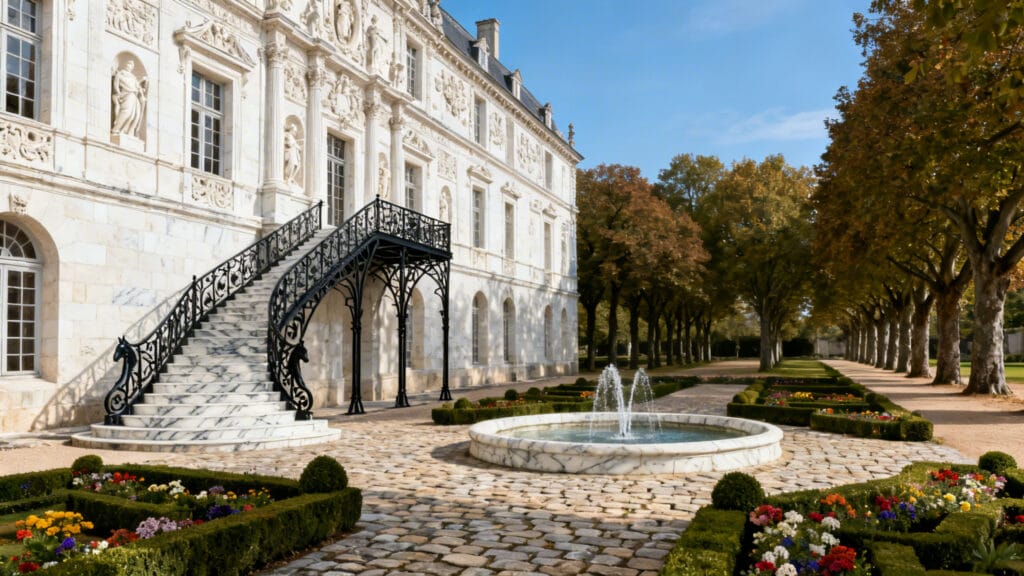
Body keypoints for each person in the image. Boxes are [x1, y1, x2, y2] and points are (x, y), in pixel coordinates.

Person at [111, 61, 147, 137]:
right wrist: (118, 93)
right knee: (126, 112)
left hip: (134, 96)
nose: (129, 66)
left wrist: (142, 81)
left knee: (134, 116)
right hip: (126, 95)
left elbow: (137, 86)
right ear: (125, 65)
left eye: (131, 65)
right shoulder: (120, 74)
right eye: (128, 64)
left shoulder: (133, 77)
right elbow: (116, 85)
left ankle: (125, 131)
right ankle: (115, 129)